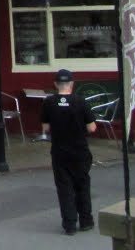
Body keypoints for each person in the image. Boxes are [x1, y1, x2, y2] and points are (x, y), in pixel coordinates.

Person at [41, 68, 97, 236]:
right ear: (72, 84)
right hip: (80, 150)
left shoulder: (49, 102)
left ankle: (69, 224)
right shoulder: (81, 101)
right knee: (82, 185)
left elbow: (45, 127)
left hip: (60, 151)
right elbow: (92, 127)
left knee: (64, 188)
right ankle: (86, 220)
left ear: (56, 84)